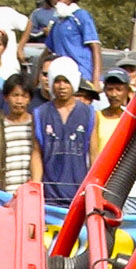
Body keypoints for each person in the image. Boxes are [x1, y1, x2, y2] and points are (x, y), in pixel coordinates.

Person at [31, 56, 94, 206]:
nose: (61, 86)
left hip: (79, 192)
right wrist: (35, 185)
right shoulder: (40, 113)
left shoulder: (89, 113)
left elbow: (93, 153)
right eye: (57, 81)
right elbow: (36, 152)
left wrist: (93, 188)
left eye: (66, 81)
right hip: (50, 195)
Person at [44, 0, 101, 86]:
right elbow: (47, 51)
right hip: (63, 77)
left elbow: (95, 46)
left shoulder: (81, 15)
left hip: (83, 74)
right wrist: (36, 79)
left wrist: (95, 81)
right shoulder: (56, 24)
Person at [0, 72, 34, 192]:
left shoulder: (35, 124)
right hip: (5, 192)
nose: (19, 101)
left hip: (30, 192)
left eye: (24, 96)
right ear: (6, 97)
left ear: (29, 99)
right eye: (15, 95)